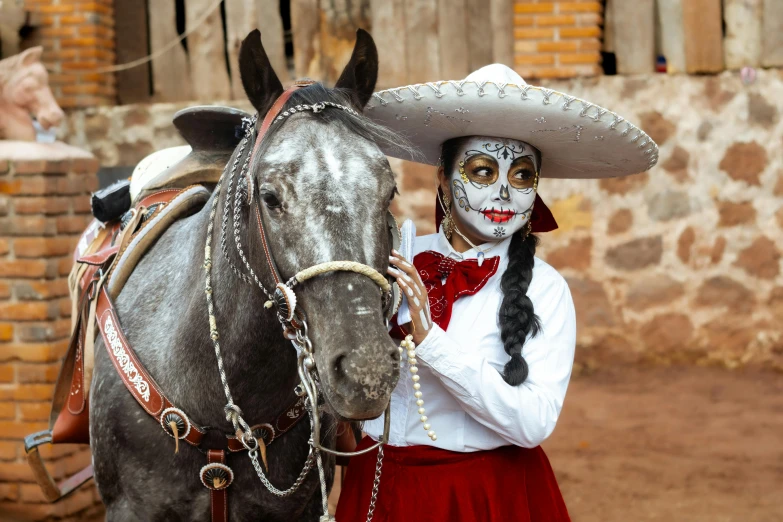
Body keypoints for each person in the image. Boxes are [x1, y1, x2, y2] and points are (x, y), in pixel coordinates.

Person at [335, 64, 659, 521]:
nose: (505, 192)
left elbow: (533, 424)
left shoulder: (546, 289)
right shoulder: (390, 260)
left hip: (484, 496)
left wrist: (433, 343)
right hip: (377, 487)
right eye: (483, 171)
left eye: (523, 175)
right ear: (443, 180)